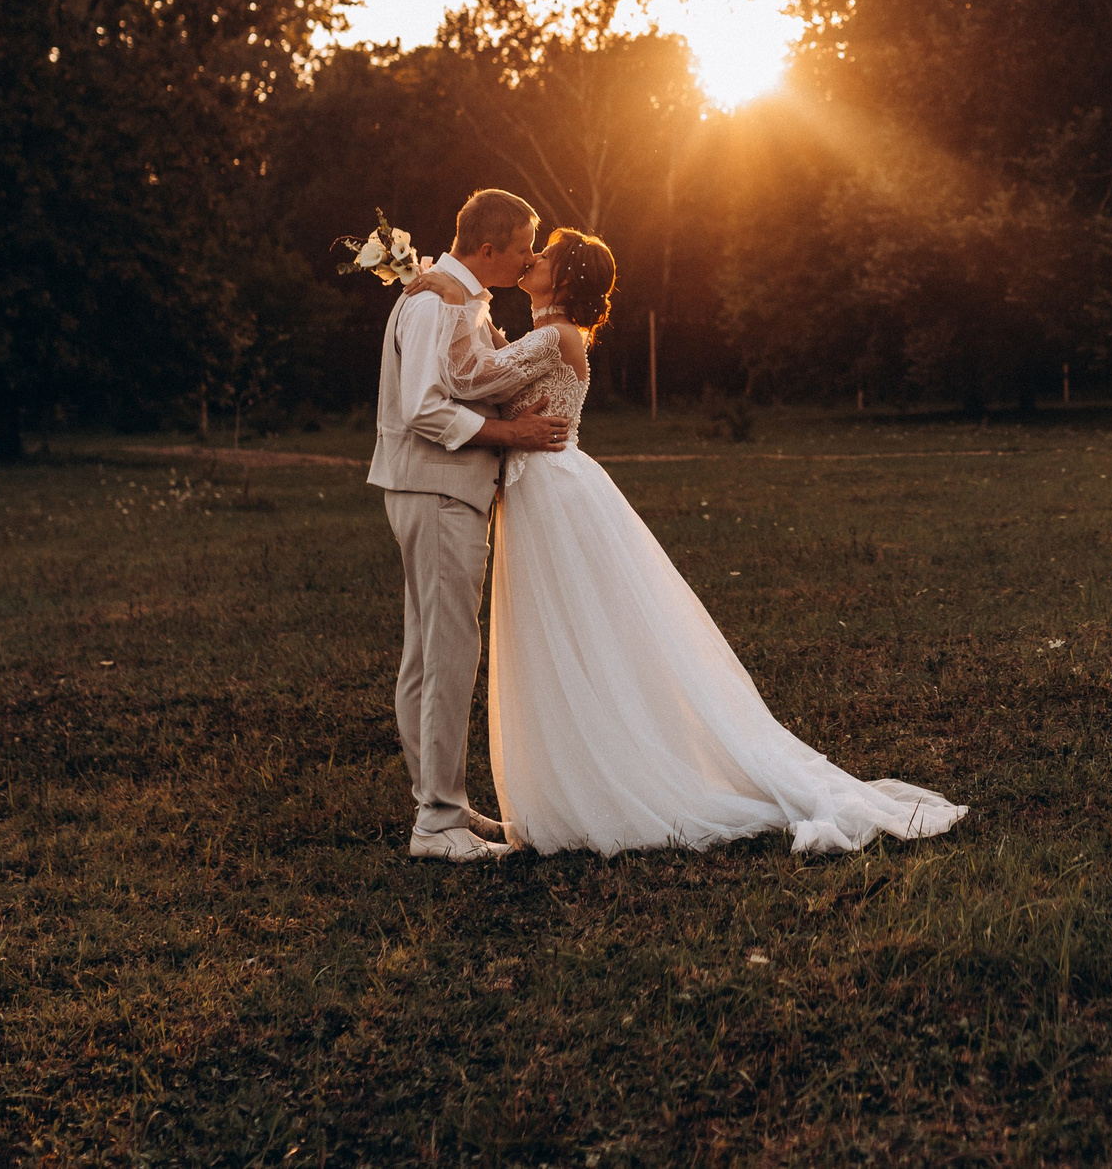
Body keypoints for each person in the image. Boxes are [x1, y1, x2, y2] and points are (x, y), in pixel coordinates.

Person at [411, 227, 967, 855]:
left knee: (573, 634)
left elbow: (465, 376)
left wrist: (433, 290)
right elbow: (494, 374)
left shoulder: (552, 338)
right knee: (567, 634)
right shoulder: (553, 337)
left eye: (547, 253)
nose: (532, 257)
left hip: (551, 493)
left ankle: (606, 778)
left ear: (563, 280)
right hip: (546, 488)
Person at [368, 189, 571, 863]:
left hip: (438, 488)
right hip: (436, 488)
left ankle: (441, 801)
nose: (529, 258)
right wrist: (511, 431)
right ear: (487, 250)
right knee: (447, 650)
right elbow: (423, 405)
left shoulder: (458, 299)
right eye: (522, 248)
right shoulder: (433, 302)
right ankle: (437, 823)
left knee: (431, 649)